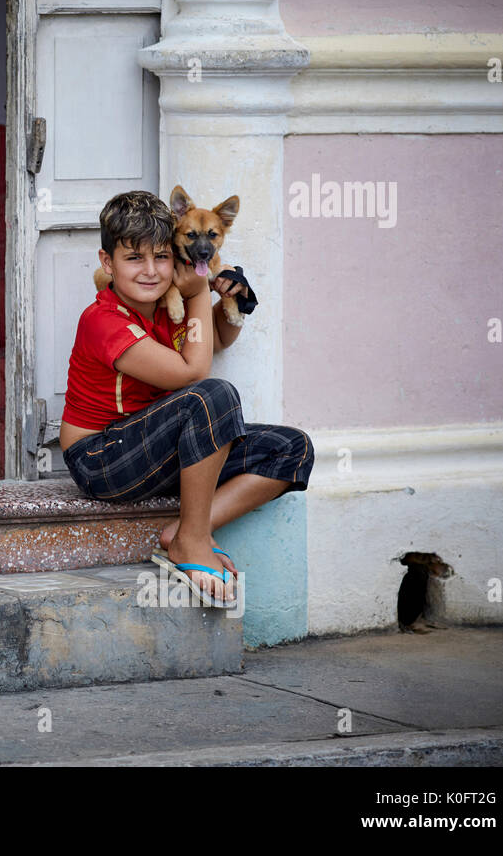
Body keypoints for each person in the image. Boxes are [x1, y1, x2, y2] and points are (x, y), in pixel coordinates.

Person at [59, 190, 314, 605]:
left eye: (160, 257)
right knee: (211, 395)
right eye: (133, 259)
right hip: (101, 458)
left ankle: (184, 531)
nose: (150, 271)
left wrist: (230, 298)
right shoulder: (102, 321)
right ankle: (194, 542)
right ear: (107, 263)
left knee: (292, 448)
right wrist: (198, 291)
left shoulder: (163, 306)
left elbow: (215, 343)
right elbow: (193, 373)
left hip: (158, 447)